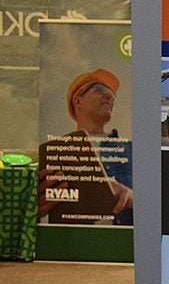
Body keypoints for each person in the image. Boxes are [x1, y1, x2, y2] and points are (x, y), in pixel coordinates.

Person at [37, 68, 134, 224]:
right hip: (72, 244)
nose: (110, 97)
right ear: (78, 100)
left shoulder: (133, 150)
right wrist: (33, 207)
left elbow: (164, 201)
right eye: (100, 89)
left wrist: (132, 197)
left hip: (121, 243)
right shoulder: (53, 153)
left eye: (113, 95)